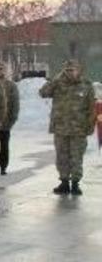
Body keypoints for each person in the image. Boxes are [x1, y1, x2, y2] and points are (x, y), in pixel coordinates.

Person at [39, 59, 96, 195]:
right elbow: (43, 93)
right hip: (60, 128)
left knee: (76, 157)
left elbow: (91, 108)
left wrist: (90, 126)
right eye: (67, 70)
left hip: (78, 129)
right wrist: (55, 79)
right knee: (62, 157)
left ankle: (75, 183)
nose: (70, 73)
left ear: (78, 70)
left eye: (72, 70)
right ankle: (64, 182)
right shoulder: (58, 84)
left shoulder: (86, 85)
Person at [0, 62, 20, 174]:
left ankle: (3, 167)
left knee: (4, 147)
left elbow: (15, 105)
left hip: (5, 122)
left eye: (1, 69)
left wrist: (11, 121)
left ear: (6, 71)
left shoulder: (11, 86)